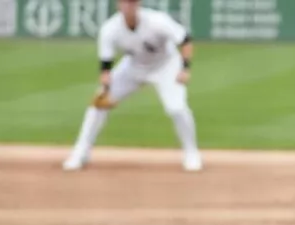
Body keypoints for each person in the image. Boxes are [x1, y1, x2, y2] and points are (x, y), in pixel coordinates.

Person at [63, 0, 201, 172]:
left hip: (166, 66)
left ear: (138, 4)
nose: (129, 6)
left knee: (176, 108)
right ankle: (80, 153)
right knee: (97, 105)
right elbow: (106, 64)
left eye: (132, 2)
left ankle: (191, 153)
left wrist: (185, 68)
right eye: (125, 2)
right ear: (118, 5)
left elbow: (185, 40)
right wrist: (106, 86)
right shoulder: (110, 28)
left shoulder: (157, 21)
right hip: (133, 66)